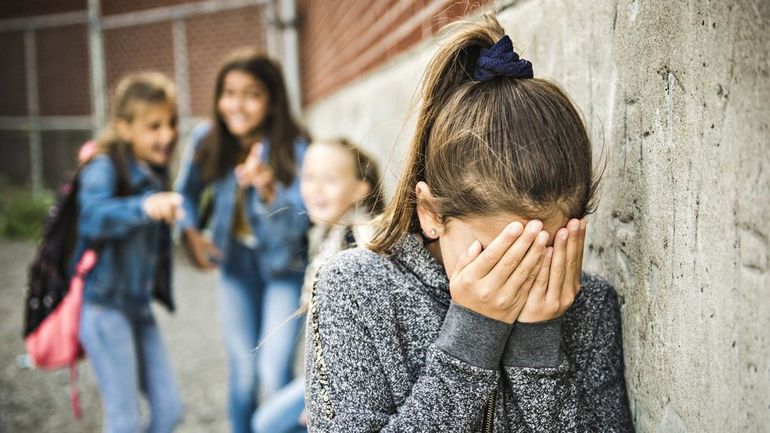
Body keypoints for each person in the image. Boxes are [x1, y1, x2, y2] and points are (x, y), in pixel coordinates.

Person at [305, 14, 634, 432]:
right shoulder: (355, 290)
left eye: (545, 249)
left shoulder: (588, 307)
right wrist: (471, 338)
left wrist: (538, 346)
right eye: (501, 255)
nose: (522, 275)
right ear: (431, 213)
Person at [175, 48, 309, 433]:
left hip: (285, 268)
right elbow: (183, 193)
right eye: (229, 93)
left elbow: (298, 227)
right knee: (244, 375)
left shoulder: (293, 147)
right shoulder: (206, 139)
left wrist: (269, 189)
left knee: (273, 370)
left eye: (251, 94)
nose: (237, 104)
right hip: (235, 269)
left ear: (271, 101)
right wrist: (191, 233)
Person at [252, 138, 384, 433]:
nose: (316, 188)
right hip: (330, 371)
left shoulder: (359, 241)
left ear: (361, 189)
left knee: (267, 424)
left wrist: (324, 402)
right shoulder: (329, 234)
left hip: (352, 381)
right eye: (309, 177)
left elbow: (362, 336)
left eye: (330, 180)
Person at [77, 72, 184, 433]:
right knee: (124, 420)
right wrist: (144, 207)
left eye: (171, 123)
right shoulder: (103, 166)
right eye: (154, 126)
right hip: (105, 309)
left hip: (138, 308)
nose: (167, 135)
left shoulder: (155, 171)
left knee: (169, 410)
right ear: (124, 128)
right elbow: (91, 218)